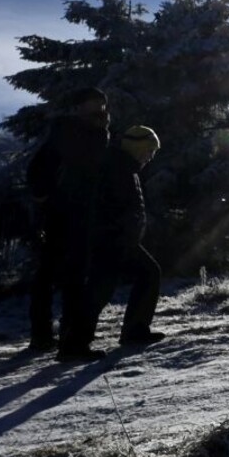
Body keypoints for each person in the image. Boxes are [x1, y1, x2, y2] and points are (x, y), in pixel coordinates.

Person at [25, 87, 111, 361]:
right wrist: (47, 199)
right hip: (70, 213)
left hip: (69, 211)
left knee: (51, 275)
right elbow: (41, 168)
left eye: (102, 104)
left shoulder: (86, 130)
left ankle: (44, 338)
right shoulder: (74, 131)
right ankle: (70, 344)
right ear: (80, 107)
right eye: (93, 103)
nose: (100, 108)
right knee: (72, 277)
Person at [82, 126, 164, 350]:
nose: (151, 156)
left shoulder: (125, 167)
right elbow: (114, 206)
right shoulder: (119, 168)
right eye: (150, 151)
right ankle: (75, 342)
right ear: (138, 148)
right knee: (102, 288)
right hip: (113, 239)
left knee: (141, 275)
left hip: (119, 238)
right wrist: (122, 233)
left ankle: (134, 330)